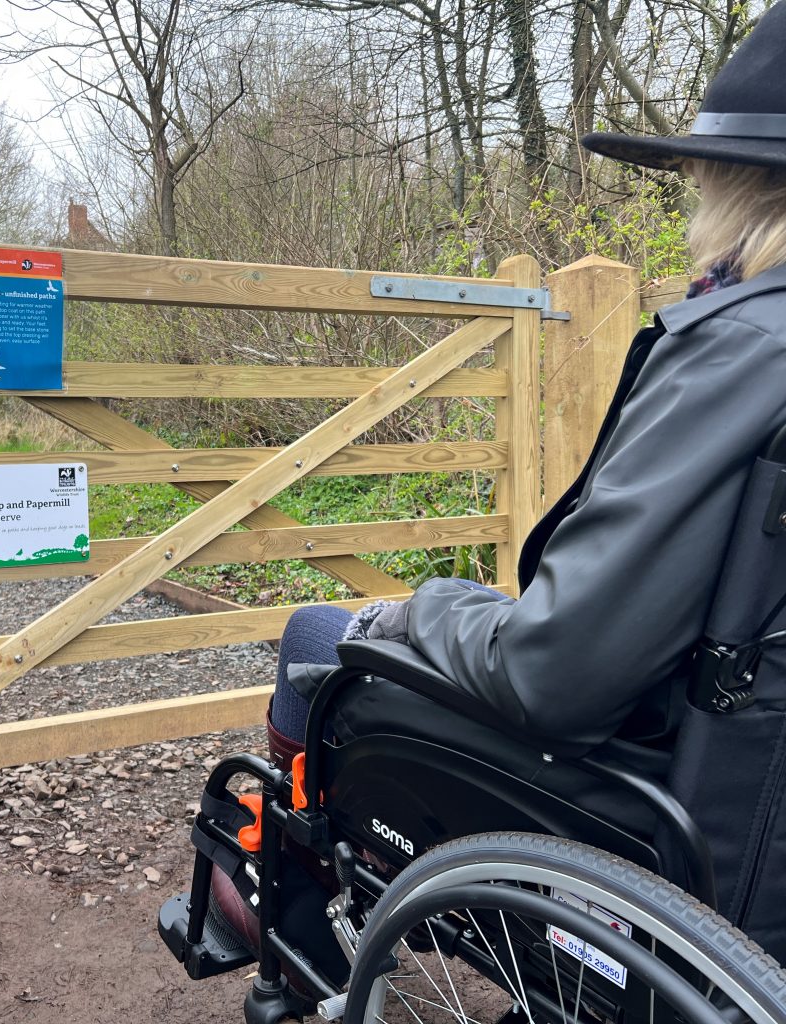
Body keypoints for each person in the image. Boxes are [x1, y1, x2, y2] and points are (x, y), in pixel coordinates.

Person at [268, 1, 786, 759]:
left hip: (672, 787)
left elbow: (553, 676)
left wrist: (426, 606)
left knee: (314, 631)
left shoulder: (740, 346)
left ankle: (288, 871)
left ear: (730, 183)